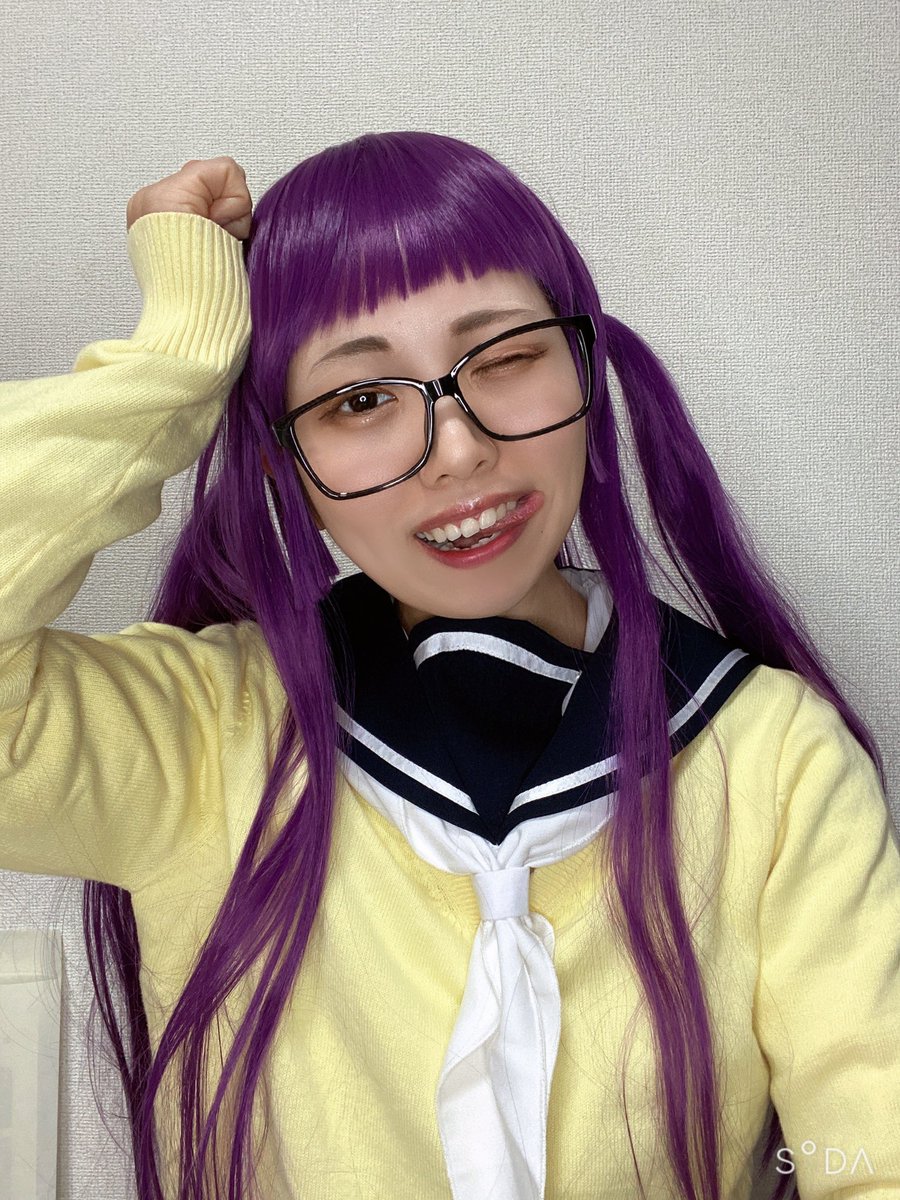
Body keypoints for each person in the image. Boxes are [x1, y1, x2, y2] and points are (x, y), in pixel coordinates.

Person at [1, 134, 898, 1200]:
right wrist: (176, 361)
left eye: (507, 356)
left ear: (584, 367)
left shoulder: (775, 757)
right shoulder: (201, 737)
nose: (461, 449)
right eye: (359, 401)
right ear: (289, 468)